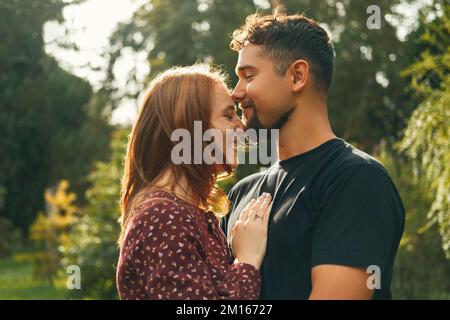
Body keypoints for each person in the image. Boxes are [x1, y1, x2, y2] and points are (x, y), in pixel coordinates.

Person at [223, 12, 405, 300]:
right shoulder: (240, 194)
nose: (235, 93)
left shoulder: (357, 180)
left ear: (297, 76)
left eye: (249, 75)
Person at [116, 65, 272, 300]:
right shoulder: (162, 218)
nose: (241, 127)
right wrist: (246, 261)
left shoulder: (185, 213)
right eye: (228, 115)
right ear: (189, 126)